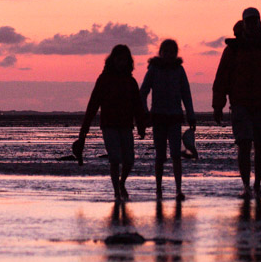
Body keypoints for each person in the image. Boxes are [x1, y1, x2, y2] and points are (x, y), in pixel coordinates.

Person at [213, 7, 261, 197]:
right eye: (249, 21)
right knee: (244, 143)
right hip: (240, 103)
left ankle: (256, 184)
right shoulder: (233, 49)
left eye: (255, 21)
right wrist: (218, 105)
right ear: (244, 23)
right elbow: (222, 77)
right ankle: (246, 185)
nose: (252, 24)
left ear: (259, 22)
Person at [75, 44, 149, 202]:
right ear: (113, 60)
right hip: (109, 125)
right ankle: (116, 191)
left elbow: (137, 106)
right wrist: (84, 128)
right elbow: (93, 104)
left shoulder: (131, 81)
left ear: (128, 62)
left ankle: (122, 183)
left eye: (124, 59)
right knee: (115, 159)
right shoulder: (104, 79)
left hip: (126, 125)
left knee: (129, 160)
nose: (121, 62)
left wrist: (141, 126)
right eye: (119, 59)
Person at [140, 39, 196, 201]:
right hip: (158, 117)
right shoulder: (154, 69)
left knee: (176, 155)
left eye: (173, 52)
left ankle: (178, 189)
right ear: (161, 52)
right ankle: (158, 189)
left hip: (175, 117)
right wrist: (145, 114)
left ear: (176, 54)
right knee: (160, 155)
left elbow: (186, 93)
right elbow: (143, 92)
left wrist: (191, 115)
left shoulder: (179, 70)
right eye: (166, 51)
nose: (169, 55)